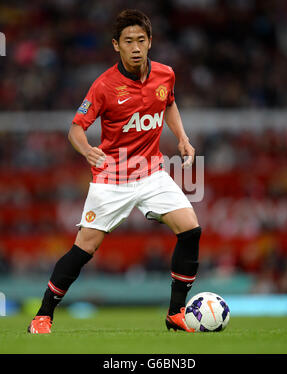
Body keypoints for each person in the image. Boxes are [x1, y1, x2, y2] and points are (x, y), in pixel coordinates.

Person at [28, 9, 201, 334]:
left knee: (190, 230)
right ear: (116, 45)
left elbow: (169, 104)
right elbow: (75, 130)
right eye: (128, 41)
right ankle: (42, 315)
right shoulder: (104, 85)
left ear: (150, 42)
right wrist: (87, 150)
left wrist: (182, 137)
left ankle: (175, 313)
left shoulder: (166, 75)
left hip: (151, 173)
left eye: (140, 40)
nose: (135, 47)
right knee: (84, 249)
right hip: (112, 180)